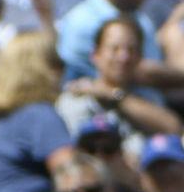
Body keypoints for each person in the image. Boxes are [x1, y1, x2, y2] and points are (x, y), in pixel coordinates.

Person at [0, 32, 74, 192]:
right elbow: (72, 174)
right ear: (37, 68)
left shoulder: (7, 118)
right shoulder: (39, 114)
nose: (62, 68)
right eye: (53, 60)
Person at [56, 18, 181, 159]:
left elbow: (174, 128)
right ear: (95, 55)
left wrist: (115, 96)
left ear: (140, 57)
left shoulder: (147, 96)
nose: (123, 57)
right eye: (114, 49)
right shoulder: (78, 96)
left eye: (131, 50)